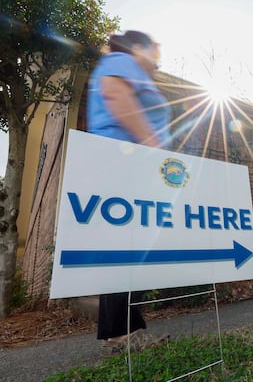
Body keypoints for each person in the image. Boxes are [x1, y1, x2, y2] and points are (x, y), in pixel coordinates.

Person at [87, 30, 170, 357]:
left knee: (126, 249)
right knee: (124, 247)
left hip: (123, 162)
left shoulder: (123, 63)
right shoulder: (122, 61)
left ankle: (120, 332)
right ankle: (120, 334)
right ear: (139, 48)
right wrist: (155, 146)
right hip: (122, 161)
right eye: (155, 49)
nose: (158, 57)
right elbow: (116, 95)